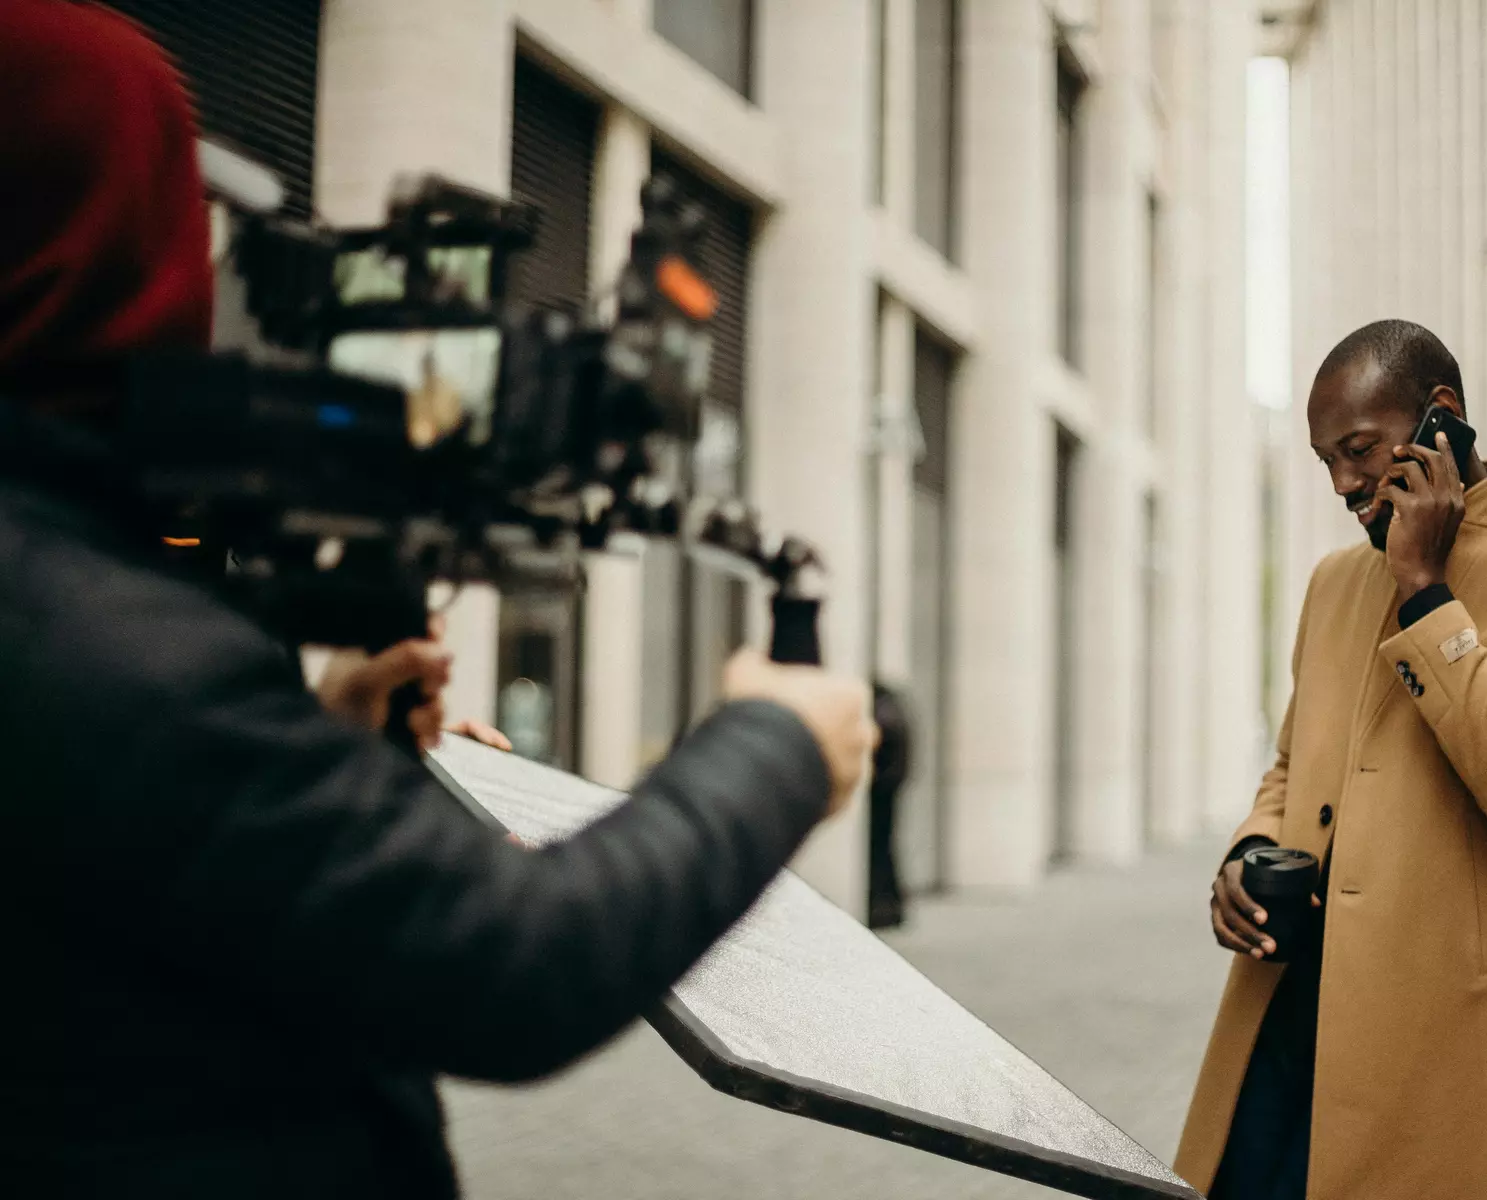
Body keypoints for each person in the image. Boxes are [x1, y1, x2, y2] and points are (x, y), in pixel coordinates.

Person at [0, 5, 874, 1196]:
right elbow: (515, 962)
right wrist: (776, 748)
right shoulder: (93, 635)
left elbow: (135, 879)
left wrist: (305, 744)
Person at [1173, 320, 1487, 1200]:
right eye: (1325, 460)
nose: (1342, 483)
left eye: (1360, 451)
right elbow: (1293, 765)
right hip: (1285, 1003)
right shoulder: (1334, 582)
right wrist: (1244, 854)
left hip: (1435, 1030)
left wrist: (1425, 592)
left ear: (1438, 419)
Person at [866, 681, 913, 929]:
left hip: (882, 794)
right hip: (888, 791)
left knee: (881, 851)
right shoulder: (894, 714)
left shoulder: (885, 717)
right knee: (885, 851)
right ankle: (889, 907)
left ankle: (886, 908)